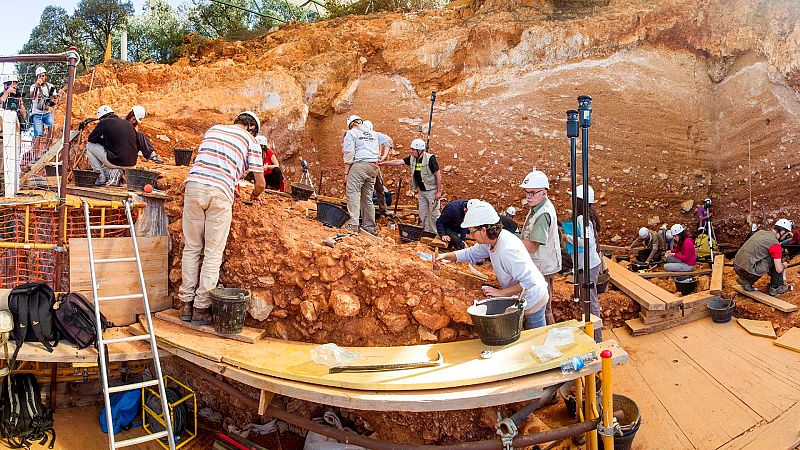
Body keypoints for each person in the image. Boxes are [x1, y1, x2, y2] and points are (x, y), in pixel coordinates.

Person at [179, 111, 266, 324]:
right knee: (212, 253)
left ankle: (185, 305)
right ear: (252, 128)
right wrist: (254, 196)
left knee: (191, 248)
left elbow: (210, 161)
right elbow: (260, 183)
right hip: (220, 193)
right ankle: (201, 308)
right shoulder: (251, 141)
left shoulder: (214, 129)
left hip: (194, 186)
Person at [435, 200, 549, 329]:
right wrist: (446, 256)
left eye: (472, 232)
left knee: (536, 335)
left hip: (534, 297)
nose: (470, 235)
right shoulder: (490, 241)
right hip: (519, 296)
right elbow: (470, 253)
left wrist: (501, 292)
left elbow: (530, 281)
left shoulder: (508, 250)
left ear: (483, 230)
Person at [519, 170, 562, 325]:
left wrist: (511, 245)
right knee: (544, 306)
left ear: (544, 193)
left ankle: (549, 335)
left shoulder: (543, 214)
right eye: (526, 192)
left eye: (532, 193)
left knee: (543, 308)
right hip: (542, 264)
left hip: (542, 267)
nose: (528, 196)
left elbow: (531, 247)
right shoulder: (537, 207)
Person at [563, 185, 602, 342]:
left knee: (591, 302)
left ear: (578, 200)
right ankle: (592, 334)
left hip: (588, 265)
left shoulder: (582, 218)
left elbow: (587, 241)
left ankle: (596, 338)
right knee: (589, 300)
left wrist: (567, 237)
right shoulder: (587, 216)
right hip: (588, 264)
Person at [381, 138, 442, 233]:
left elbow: (438, 175)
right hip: (422, 191)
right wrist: (384, 163)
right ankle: (427, 232)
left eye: (413, 149)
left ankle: (436, 233)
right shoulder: (413, 159)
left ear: (419, 150)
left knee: (434, 213)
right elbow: (399, 162)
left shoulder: (430, 159)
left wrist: (438, 192)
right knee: (423, 213)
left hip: (431, 191)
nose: (411, 151)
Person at [734, 219, 793, 296]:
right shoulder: (775, 244)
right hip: (748, 272)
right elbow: (778, 269)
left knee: (766, 254)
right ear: (782, 232)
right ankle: (776, 287)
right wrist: (784, 265)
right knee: (776, 258)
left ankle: (746, 282)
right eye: (786, 234)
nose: (786, 236)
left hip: (737, 266)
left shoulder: (760, 232)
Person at [342, 115, 380, 234]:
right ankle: (369, 226)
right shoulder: (372, 134)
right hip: (373, 166)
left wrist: (346, 173)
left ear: (350, 125)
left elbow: (349, 154)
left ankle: (353, 224)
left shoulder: (351, 133)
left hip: (360, 165)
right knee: (367, 198)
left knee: (352, 193)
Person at [86, 105, 139, 186]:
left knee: (90, 146)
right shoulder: (128, 124)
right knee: (110, 157)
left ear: (101, 118)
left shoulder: (104, 122)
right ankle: (115, 173)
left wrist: (102, 140)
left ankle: (100, 177)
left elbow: (91, 139)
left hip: (116, 162)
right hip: (132, 165)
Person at [364, 120, 393, 216]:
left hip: (369, 165)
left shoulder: (372, 136)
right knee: (378, 188)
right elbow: (388, 141)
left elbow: (388, 141)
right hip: (371, 165)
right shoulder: (374, 136)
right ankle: (382, 209)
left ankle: (382, 209)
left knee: (379, 188)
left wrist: (383, 157)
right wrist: (383, 156)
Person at [29, 66, 58, 149]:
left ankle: (47, 148)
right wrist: (37, 86)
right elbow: (32, 96)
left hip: (47, 112)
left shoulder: (50, 86)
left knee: (52, 126)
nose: (41, 78)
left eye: (43, 76)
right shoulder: (33, 87)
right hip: (37, 114)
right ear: (37, 77)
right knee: (38, 135)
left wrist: (53, 100)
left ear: (46, 76)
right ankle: (36, 154)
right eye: (39, 76)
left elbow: (55, 98)